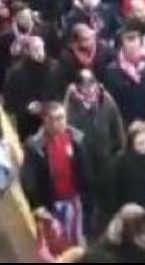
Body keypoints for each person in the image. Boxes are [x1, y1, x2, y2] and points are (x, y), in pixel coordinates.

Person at [21, 103, 92, 249]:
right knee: (53, 245)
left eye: (63, 117)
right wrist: (37, 205)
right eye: (57, 118)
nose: (62, 122)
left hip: (74, 201)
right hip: (51, 206)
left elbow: (85, 169)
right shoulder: (35, 146)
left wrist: (86, 195)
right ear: (46, 121)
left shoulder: (75, 138)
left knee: (76, 242)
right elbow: (28, 178)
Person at [63, 69, 125, 226]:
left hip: (106, 159)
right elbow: (69, 133)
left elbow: (117, 127)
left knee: (108, 199)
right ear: (77, 88)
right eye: (84, 86)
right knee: (88, 200)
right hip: (83, 163)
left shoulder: (107, 101)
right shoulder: (71, 107)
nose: (89, 89)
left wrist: (118, 151)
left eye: (92, 84)